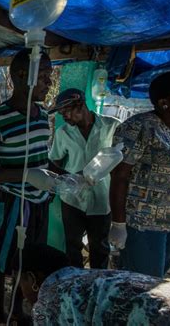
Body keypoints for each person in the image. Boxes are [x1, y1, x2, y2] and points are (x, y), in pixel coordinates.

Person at [0, 49, 52, 324]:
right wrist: (25, 176)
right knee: (1, 259)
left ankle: (17, 310)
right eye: (43, 76)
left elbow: (44, 158)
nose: (49, 84)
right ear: (22, 76)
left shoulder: (42, 115)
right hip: (11, 202)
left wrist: (67, 177)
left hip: (40, 200)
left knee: (28, 259)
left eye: (49, 76)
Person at [110, 71, 170, 277]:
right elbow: (119, 176)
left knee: (155, 282)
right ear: (164, 102)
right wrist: (118, 224)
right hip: (142, 224)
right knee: (140, 284)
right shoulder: (139, 127)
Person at [48, 88, 120, 269]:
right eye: (61, 113)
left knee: (100, 248)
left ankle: (96, 285)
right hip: (72, 199)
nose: (64, 117)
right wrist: (69, 179)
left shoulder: (111, 126)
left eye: (67, 112)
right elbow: (53, 163)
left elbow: (122, 160)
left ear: (81, 105)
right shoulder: (63, 133)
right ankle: (75, 283)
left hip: (101, 199)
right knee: (72, 246)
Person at [19, 244, 170, 325]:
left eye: (21, 282)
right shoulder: (88, 277)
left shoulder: (50, 298)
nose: (22, 291)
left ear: (33, 278)